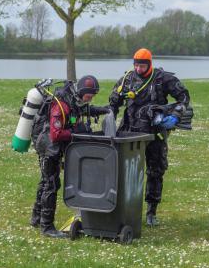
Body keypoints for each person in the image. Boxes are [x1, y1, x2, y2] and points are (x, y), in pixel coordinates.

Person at [108, 48, 191, 226]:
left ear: (150, 63)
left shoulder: (162, 79)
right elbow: (113, 102)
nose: (138, 69)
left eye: (142, 65)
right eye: (136, 65)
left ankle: (151, 212)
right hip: (129, 131)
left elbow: (184, 97)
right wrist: (110, 123)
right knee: (124, 171)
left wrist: (175, 115)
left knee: (155, 171)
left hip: (154, 133)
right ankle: (122, 208)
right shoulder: (127, 79)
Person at [29, 75, 110, 238]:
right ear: (82, 92)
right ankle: (47, 227)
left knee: (45, 181)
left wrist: (104, 109)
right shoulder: (62, 105)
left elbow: (84, 109)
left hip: (52, 145)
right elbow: (56, 133)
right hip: (49, 146)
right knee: (51, 185)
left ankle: (36, 218)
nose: (91, 98)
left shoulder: (74, 99)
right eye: (90, 95)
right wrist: (75, 132)